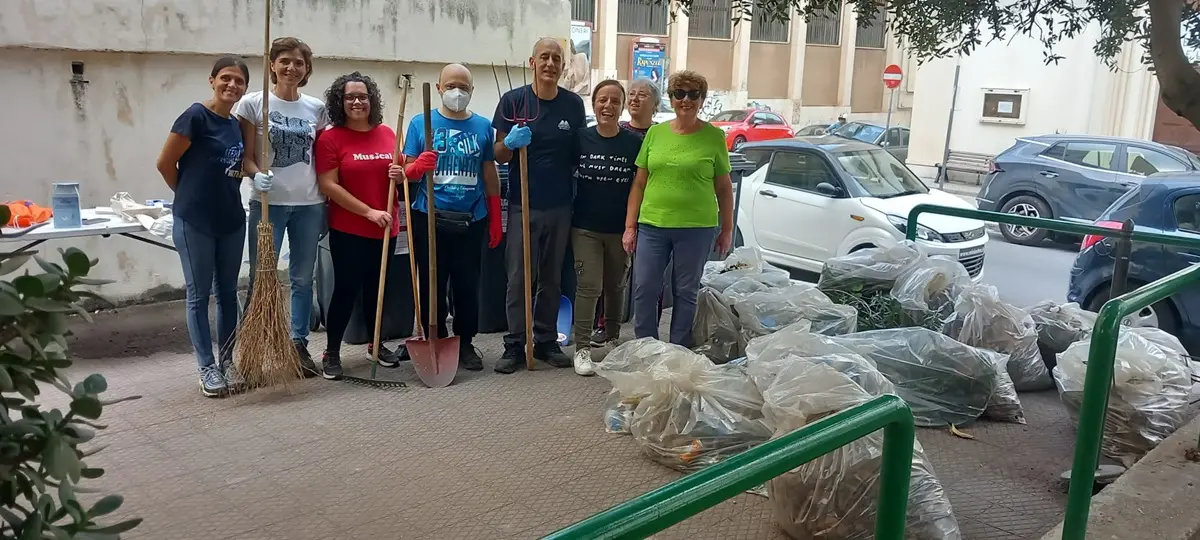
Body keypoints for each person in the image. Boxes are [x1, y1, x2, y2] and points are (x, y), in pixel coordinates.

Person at [155, 56, 251, 397]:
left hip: (231, 220)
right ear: (212, 80)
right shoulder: (195, 116)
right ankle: (206, 368)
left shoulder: (236, 125)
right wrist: (187, 196)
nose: (232, 85)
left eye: (239, 81)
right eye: (225, 78)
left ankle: (227, 361)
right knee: (199, 295)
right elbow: (165, 163)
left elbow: (243, 163)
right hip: (194, 220)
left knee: (228, 293)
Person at [397, 63, 502, 372]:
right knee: (432, 282)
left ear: (472, 91)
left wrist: (495, 216)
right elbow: (405, 170)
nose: (458, 92)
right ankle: (437, 336)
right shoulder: (421, 124)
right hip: (429, 217)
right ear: (439, 88)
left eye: (464, 87)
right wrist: (417, 168)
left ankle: (465, 342)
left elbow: (488, 171)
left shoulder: (483, 126)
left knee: (468, 285)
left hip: (471, 218)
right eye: (452, 85)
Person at [492, 37, 587, 374]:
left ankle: (545, 340)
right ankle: (516, 343)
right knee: (519, 276)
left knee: (550, 276)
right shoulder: (513, 101)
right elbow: (498, 153)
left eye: (556, 58)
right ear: (532, 62)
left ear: (563, 66)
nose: (550, 63)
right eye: (543, 57)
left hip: (560, 204)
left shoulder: (573, 105)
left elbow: (578, 155)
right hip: (522, 203)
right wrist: (511, 143)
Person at [235, 37, 328, 377]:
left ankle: (298, 344)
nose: (291, 67)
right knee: (263, 278)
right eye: (285, 61)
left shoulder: (316, 109)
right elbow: (244, 156)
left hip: (309, 204)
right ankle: (253, 349)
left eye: (299, 63)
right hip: (268, 204)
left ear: (307, 70)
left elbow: (323, 157)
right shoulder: (253, 103)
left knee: (303, 279)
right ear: (272, 64)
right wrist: (255, 175)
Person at [624, 70, 734, 347]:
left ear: (702, 99)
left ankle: (678, 350)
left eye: (693, 94)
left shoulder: (713, 137)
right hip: (653, 225)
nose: (686, 100)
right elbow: (639, 183)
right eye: (679, 94)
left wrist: (727, 229)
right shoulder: (655, 134)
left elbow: (723, 188)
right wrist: (629, 226)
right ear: (671, 99)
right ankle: (646, 347)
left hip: (696, 228)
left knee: (686, 291)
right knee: (645, 287)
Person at [313, 72, 401, 380]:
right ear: (340, 102)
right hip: (350, 229)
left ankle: (376, 345)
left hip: (387, 228)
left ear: (371, 100)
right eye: (350, 97)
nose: (357, 102)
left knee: (379, 291)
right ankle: (332, 351)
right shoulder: (331, 138)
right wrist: (368, 212)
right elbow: (329, 185)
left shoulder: (388, 133)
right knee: (346, 290)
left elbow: (399, 175)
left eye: (362, 96)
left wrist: (403, 172)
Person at [570, 80, 642, 376]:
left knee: (616, 286)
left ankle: (612, 339)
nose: (608, 106)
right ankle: (582, 348)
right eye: (602, 100)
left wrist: (632, 226)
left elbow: (640, 186)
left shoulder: (633, 144)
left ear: (622, 106)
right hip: (585, 227)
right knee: (589, 286)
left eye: (614, 101)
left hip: (619, 229)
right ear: (594, 104)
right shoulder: (580, 138)